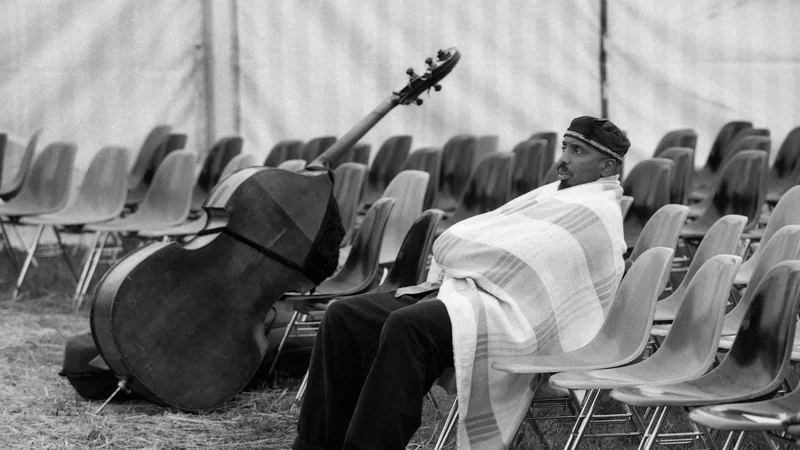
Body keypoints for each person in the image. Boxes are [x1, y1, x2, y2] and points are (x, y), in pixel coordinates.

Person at [292, 116, 631, 450]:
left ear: (607, 167)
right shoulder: (555, 195)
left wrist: (464, 254)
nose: (563, 160)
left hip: (514, 318)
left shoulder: (598, 214)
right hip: (470, 291)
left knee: (408, 325)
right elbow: (490, 238)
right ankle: (315, 445)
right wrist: (466, 255)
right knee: (344, 316)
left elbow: (525, 266)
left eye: (577, 152)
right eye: (565, 148)